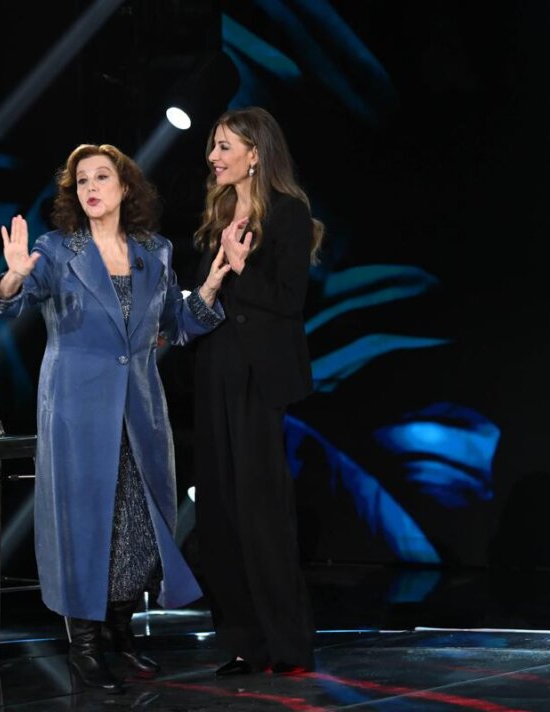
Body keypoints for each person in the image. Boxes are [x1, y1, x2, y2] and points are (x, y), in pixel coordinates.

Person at [0, 144, 229, 692]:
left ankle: (121, 635)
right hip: (75, 411)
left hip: (140, 411)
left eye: (101, 177)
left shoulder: (155, 251)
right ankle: (84, 649)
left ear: (125, 187)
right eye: (81, 180)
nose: (90, 187)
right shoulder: (55, 250)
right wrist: (13, 278)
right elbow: (2, 306)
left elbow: (176, 325)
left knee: (136, 527)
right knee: (82, 528)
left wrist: (210, 285)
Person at [191, 107, 324, 676]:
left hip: (260, 378)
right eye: (214, 146)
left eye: (225, 146)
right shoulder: (218, 213)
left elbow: (289, 301)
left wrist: (244, 268)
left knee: (261, 510)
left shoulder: (289, 213)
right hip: (215, 369)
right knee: (219, 511)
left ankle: (287, 644)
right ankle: (244, 641)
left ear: (255, 153)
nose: (214, 156)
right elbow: (209, 297)